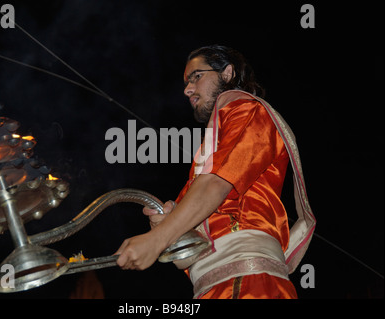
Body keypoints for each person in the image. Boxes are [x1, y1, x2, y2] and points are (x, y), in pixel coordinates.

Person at [115, 45, 315, 299]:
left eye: (196, 76)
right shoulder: (207, 159)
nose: (187, 89)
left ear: (228, 73)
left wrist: (157, 240)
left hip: (250, 283)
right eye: (187, 81)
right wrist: (166, 227)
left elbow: (217, 185)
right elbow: (185, 260)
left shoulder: (250, 111)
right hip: (214, 288)